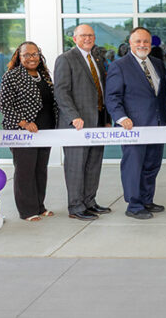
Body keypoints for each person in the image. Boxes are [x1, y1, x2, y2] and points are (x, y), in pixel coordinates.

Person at [105, 27, 166, 220]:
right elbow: (112, 97)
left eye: (146, 41)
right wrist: (121, 118)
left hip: (157, 124)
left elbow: (160, 95)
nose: (142, 45)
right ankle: (134, 205)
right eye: (138, 41)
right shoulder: (119, 66)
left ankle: (147, 200)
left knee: (152, 165)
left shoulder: (157, 63)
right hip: (133, 126)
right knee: (133, 166)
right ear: (130, 43)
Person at [54, 24, 112, 221]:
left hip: (97, 121)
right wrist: (73, 116)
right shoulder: (65, 59)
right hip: (76, 124)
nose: (88, 38)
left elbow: (101, 91)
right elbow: (61, 91)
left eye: (91, 35)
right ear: (74, 38)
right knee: (76, 166)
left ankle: (89, 201)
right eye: (83, 35)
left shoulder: (97, 59)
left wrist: (106, 119)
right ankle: (76, 206)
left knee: (93, 164)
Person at [0, 42, 58, 222]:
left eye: (35, 54)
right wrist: (24, 123)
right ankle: (27, 210)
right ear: (19, 56)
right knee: (25, 171)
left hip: (45, 131)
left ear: (39, 55)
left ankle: (39, 206)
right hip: (23, 132)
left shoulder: (44, 75)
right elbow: (4, 105)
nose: (31, 58)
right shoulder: (12, 75)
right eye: (26, 55)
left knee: (40, 170)